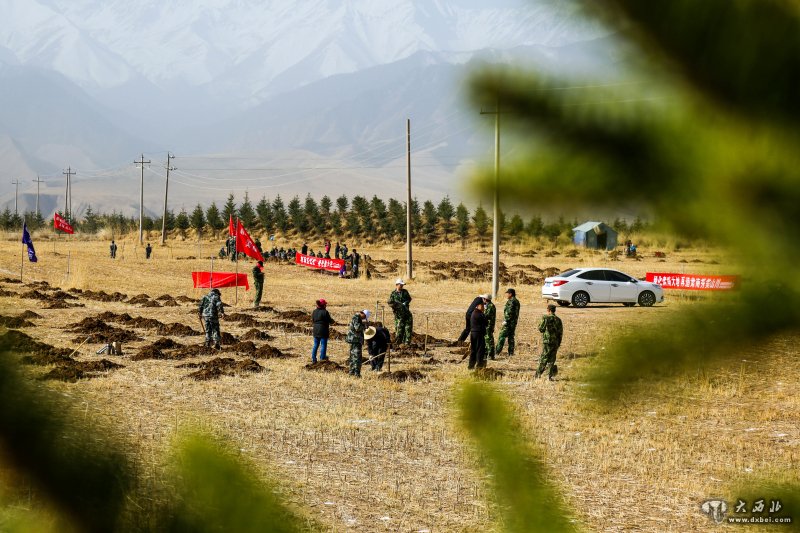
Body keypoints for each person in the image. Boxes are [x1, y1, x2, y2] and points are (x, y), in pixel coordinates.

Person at [535, 303, 563, 380]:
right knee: (552, 359)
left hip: (547, 341)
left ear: (548, 310)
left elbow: (541, 329)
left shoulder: (546, 318)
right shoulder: (558, 320)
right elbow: (560, 333)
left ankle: (538, 374)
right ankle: (548, 376)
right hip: (555, 342)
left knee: (544, 358)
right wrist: (559, 343)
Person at [495, 288, 520, 356]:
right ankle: (511, 353)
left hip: (509, 322)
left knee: (502, 336)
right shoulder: (516, 301)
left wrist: (506, 320)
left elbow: (510, 312)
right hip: (513, 322)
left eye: (507, 293)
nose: (506, 295)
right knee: (511, 337)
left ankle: (497, 351)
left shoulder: (511, 301)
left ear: (510, 294)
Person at [388, 279, 413, 344]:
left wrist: (405, 303)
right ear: (397, 285)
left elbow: (409, 299)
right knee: (399, 331)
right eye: (400, 285)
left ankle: (407, 345)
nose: (402, 286)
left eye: (402, 285)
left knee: (408, 330)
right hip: (398, 316)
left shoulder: (405, 292)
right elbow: (390, 303)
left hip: (406, 314)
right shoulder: (393, 294)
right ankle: (398, 344)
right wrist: (396, 306)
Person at [345, 309, 369, 377]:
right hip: (356, 340)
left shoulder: (356, 317)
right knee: (357, 357)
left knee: (353, 356)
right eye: (364, 317)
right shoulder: (356, 318)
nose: (364, 318)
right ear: (363, 314)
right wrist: (365, 326)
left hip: (354, 340)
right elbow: (357, 328)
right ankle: (356, 373)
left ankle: (351, 372)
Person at [311, 298, 334, 363]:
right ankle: (322, 358)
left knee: (315, 344)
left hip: (315, 330)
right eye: (325, 304)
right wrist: (333, 322)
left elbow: (313, 320)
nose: (326, 306)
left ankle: (313, 359)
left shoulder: (314, 311)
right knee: (323, 345)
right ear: (323, 305)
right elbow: (330, 320)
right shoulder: (325, 312)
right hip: (323, 330)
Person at [468, 300, 488, 370]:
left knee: (474, 350)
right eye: (482, 305)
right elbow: (486, 322)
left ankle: (471, 366)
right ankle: (479, 366)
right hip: (478, 334)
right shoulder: (478, 314)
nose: (483, 307)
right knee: (480, 350)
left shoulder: (475, 312)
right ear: (477, 306)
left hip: (474, 333)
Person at [483, 294, 497, 360]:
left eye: (483, 298)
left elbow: (486, 315)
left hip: (488, 325)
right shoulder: (488, 305)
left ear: (485, 299)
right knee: (486, 340)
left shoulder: (491, 306)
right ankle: (485, 354)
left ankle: (491, 355)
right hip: (486, 325)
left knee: (489, 340)